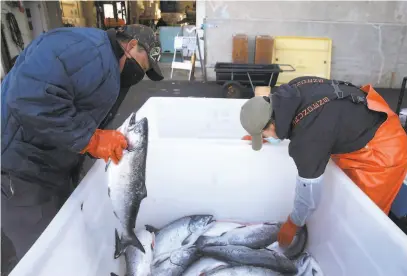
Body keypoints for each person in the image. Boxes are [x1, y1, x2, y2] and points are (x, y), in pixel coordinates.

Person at [1, 24, 163, 266]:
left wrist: (94, 137)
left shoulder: (106, 60)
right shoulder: (88, 52)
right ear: (130, 45)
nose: (141, 73)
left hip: (49, 164)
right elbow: (28, 98)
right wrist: (91, 139)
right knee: (43, 251)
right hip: (20, 168)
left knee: (63, 234)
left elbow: (71, 105)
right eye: (144, 64)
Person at [240, 76, 407, 247]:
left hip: (382, 153)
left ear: (270, 125)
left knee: (364, 220)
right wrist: (271, 135)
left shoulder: (307, 142)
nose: (264, 138)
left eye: (263, 135)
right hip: (367, 117)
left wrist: (294, 222)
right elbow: (295, 121)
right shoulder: (294, 88)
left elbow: (309, 195)